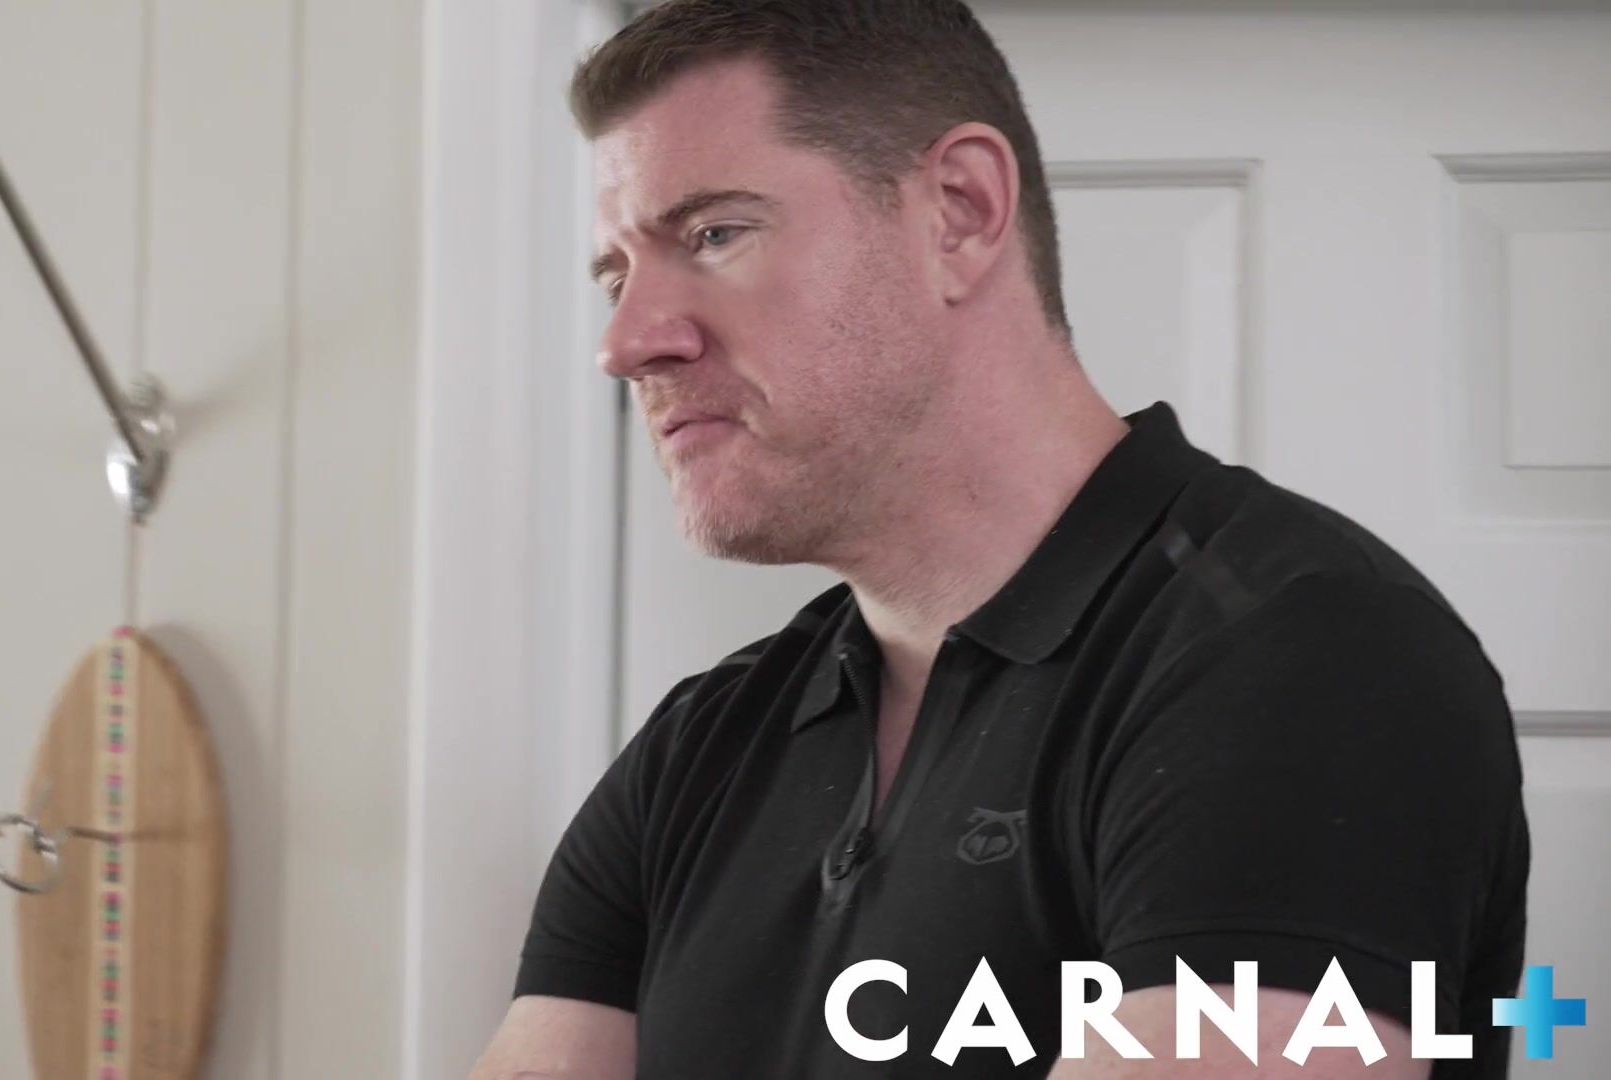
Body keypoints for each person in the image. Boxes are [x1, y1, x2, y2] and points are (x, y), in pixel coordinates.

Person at [470, 2, 1530, 1077]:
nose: (627, 342)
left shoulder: (1305, 651)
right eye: (617, 278)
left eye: (714, 235)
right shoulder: (699, 749)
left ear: (961, 212)